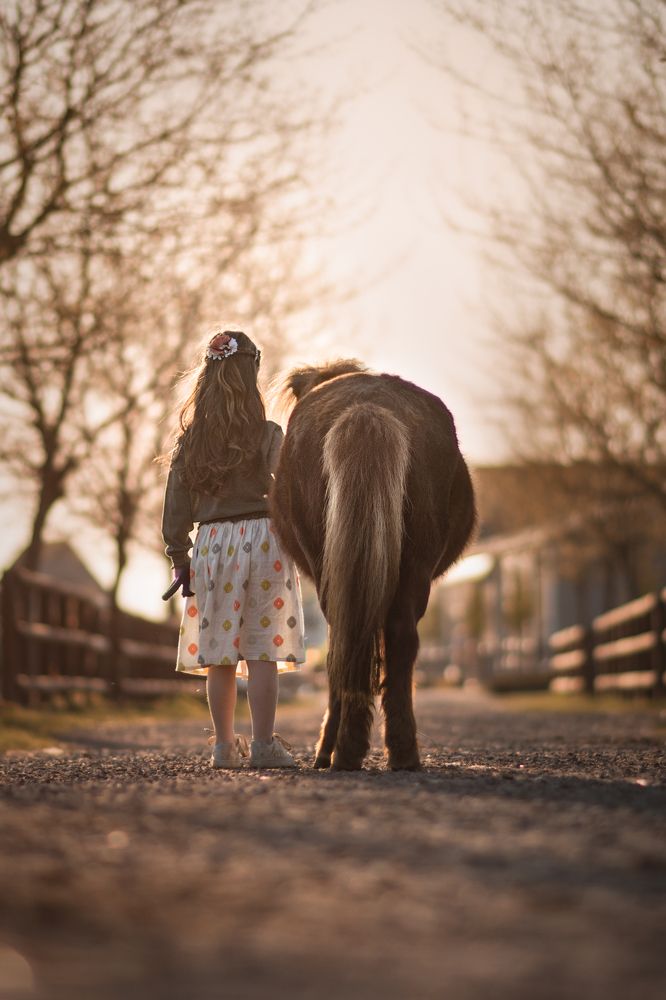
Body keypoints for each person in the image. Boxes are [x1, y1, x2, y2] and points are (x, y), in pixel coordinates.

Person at [161, 329, 306, 769]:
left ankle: (224, 746)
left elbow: (175, 508)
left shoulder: (190, 442)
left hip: (211, 545)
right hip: (263, 538)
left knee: (219, 652)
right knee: (262, 648)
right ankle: (263, 744)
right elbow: (290, 491)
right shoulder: (267, 433)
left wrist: (179, 558)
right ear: (252, 374)